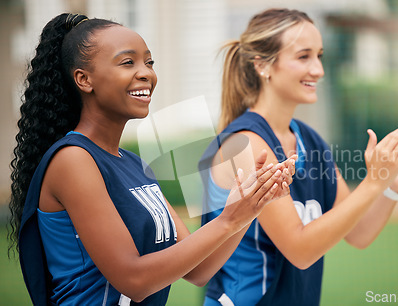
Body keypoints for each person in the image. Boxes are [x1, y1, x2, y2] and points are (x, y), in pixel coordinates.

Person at [7, 13, 296, 305]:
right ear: (84, 79)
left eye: (149, 62)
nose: (146, 73)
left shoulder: (134, 165)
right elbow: (134, 280)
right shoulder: (73, 161)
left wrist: (247, 208)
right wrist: (227, 220)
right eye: (127, 62)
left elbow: (198, 270)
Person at [199, 8, 398, 306]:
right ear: (263, 65)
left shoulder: (311, 142)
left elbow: (359, 233)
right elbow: (299, 250)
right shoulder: (247, 145)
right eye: (303, 57)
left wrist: (392, 183)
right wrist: (374, 182)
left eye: (319, 56)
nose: (318, 70)